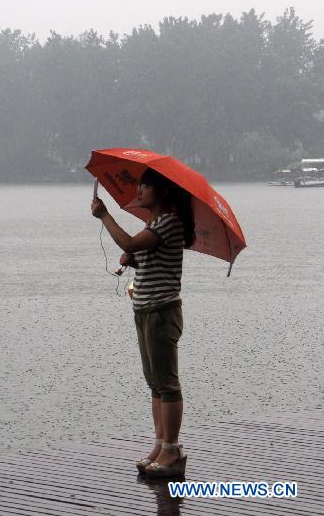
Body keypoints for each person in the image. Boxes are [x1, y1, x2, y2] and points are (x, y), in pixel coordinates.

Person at [90, 168, 195, 478]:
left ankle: (172, 451)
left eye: (144, 187)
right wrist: (133, 260)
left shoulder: (169, 222)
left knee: (167, 383)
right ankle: (161, 444)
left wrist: (105, 215)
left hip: (162, 311)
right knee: (155, 383)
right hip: (146, 310)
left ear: (160, 192)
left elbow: (131, 242)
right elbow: (144, 253)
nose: (138, 192)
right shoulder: (155, 223)